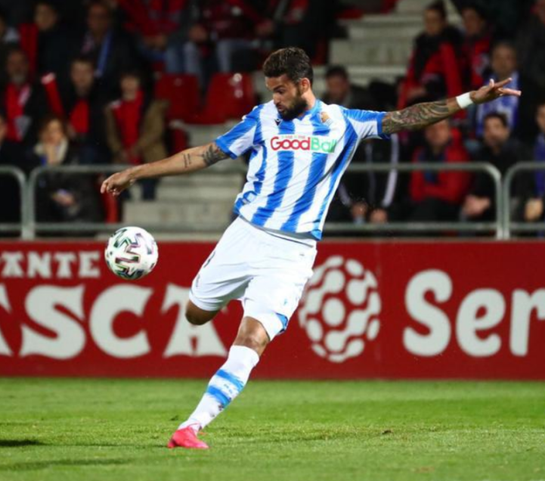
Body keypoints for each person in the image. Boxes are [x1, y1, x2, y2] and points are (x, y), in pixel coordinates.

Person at [101, 46, 519, 449]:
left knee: (253, 338)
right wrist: (137, 172)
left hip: (292, 253)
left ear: (303, 84)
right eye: (270, 90)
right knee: (194, 315)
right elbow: (204, 155)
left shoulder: (344, 123)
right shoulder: (262, 118)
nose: (274, 98)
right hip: (245, 235)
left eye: (280, 89)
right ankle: (238, 293)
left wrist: (469, 99)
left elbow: (407, 118)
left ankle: (191, 427)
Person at [105, 70, 167, 200]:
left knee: (148, 187)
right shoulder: (114, 106)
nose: (129, 84)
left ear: (138, 83)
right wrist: (119, 150)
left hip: (148, 155)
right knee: (117, 186)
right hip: (123, 157)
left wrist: (137, 148)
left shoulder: (151, 104)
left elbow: (156, 130)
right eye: (126, 80)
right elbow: (111, 133)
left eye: (132, 80)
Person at [462, 112, 529, 222]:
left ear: (506, 130)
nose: (492, 132)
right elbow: (478, 184)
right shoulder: (482, 154)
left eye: (496, 127)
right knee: (465, 211)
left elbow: (518, 189)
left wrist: (488, 202)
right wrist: (473, 197)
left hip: (510, 200)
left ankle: (508, 239)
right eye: (487, 128)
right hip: (488, 203)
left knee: (514, 205)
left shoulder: (518, 152)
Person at [409, 120, 470, 221]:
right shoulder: (419, 154)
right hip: (421, 204)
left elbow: (452, 194)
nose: (436, 132)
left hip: (449, 208)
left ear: (449, 131)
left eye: (441, 128)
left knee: (428, 207)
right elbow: (414, 191)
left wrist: (427, 189)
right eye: (431, 128)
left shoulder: (458, 154)